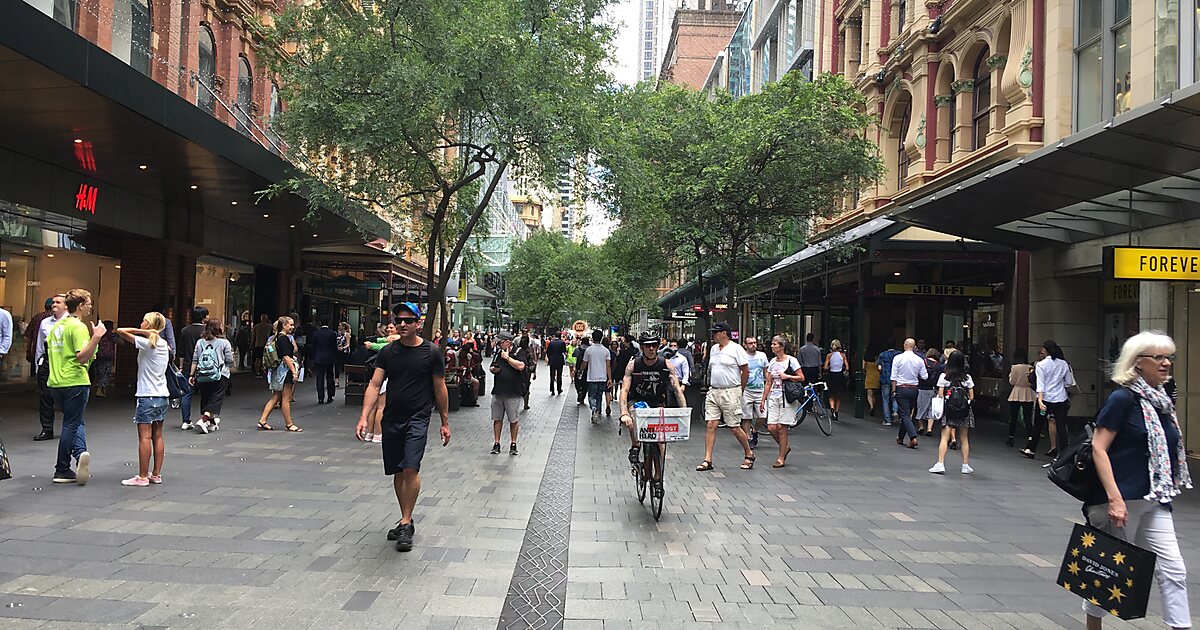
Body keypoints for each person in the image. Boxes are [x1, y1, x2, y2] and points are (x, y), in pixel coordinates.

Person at [1085, 332, 1191, 630]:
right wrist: (1115, 499)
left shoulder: (1162, 402)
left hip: (1156, 499)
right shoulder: (1122, 399)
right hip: (1122, 501)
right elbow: (1098, 448)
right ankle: (1093, 626)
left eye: (1169, 357)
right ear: (1138, 362)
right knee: (1107, 569)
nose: (1166, 363)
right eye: (1158, 357)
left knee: (1173, 569)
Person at [355, 303, 450, 553]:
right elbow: (375, 385)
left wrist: (444, 422)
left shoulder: (431, 352)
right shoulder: (388, 352)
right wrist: (364, 417)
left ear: (418, 323)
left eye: (408, 320)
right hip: (392, 418)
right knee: (398, 470)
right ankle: (404, 517)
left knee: (411, 467)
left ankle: (406, 523)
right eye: (399, 320)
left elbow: (440, 388)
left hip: (418, 418)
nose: (403, 324)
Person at [618, 331, 686, 500]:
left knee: (660, 442)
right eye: (647, 345)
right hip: (637, 401)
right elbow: (624, 390)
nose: (651, 349)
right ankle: (635, 446)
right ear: (641, 347)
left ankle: (657, 478)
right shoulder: (634, 365)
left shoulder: (666, 364)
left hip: (657, 403)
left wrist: (684, 412)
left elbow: (677, 389)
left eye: (654, 345)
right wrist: (624, 412)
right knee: (633, 418)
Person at [48, 289, 106, 486]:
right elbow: (82, 357)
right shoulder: (78, 327)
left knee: (75, 421)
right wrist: (96, 337)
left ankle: (81, 454)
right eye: (89, 303)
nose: (90, 306)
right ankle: (62, 468)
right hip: (74, 381)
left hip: (55, 382)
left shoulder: (57, 327)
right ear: (80, 305)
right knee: (71, 424)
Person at [115, 313, 170, 486]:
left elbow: (120, 331)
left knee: (144, 437)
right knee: (158, 435)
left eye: (144, 321)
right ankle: (156, 474)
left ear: (150, 325)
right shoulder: (162, 343)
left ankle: (142, 476)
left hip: (147, 395)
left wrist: (142, 331)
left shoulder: (147, 344)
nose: (141, 323)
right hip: (162, 395)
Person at [696, 322, 754, 472]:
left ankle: (749, 453)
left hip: (730, 390)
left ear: (724, 333)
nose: (713, 335)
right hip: (714, 390)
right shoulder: (714, 349)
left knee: (734, 426)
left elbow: (745, 371)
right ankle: (707, 459)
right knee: (711, 424)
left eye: (716, 332)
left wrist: (740, 389)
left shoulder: (736, 349)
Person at [1023, 339, 1074, 459]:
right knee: (1061, 426)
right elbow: (1069, 382)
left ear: (1045, 350)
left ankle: (1031, 449)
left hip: (1045, 399)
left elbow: (1040, 384)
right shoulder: (1063, 364)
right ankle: (1065, 453)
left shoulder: (1041, 365)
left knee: (1038, 424)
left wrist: (1040, 400)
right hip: (1061, 399)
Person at [928, 351, 975, 474]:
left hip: (949, 410)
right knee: (964, 438)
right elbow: (971, 396)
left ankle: (940, 463)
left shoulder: (944, 377)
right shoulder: (967, 378)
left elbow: (941, 395)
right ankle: (965, 465)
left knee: (944, 437)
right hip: (964, 411)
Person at [188, 319, 234, 434]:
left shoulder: (200, 342)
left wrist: (191, 375)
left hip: (203, 374)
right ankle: (204, 419)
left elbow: (195, 359)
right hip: (220, 374)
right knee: (215, 398)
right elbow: (229, 360)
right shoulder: (224, 343)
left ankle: (212, 423)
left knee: (206, 397)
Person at [257, 316, 302, 432]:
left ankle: (262, 420)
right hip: (285, 371)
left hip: (277, 370)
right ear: (284, 325)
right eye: (290, 325)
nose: (292, 327)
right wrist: (294, 371)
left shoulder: (276, 338)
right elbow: (286, 357)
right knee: (286, 398)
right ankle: (289, 424)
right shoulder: (284, 339)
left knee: (275, 396)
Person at [32, 296, 64, 441]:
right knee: (45, 397)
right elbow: (39, 345)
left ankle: (70, 429)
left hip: (64, 362)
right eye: (53, 302)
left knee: (65, 397)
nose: (54, 304)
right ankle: (47, 428)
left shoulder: (72, 322)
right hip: (47, 360)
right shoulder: (45, 322)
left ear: (66, 306)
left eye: (58, 302)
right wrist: (38, 365)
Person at [489, 331, 526, 455]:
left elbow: (521, 366)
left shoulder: (518, 352)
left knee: (513, 419)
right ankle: (496, 443)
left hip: (513, 392)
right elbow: (491, 366)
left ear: (507, 342)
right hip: (498, 390)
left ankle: (513, 443)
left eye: (500, 342)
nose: (498, 344)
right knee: (497, 418)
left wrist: (508, 358)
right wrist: (493, 369)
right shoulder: (498, 352)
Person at [890, 338, 927, 449]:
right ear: (914, 346)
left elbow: (893, 377)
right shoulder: (919, 360)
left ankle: (912, 438)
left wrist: (894, 390)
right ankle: (900, 437)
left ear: (904, 345)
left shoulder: (898, 358)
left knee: (905, 414)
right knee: (906, 413)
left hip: (901, 388)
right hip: (914, 389)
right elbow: (925, 376)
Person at [176, 306, 208, 430]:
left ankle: (186, 420)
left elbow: (181, 352)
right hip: (205, 366)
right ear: (203, 317)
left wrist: (181, 366)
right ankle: (204, 419)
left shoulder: (185, 331)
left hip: (188, 366)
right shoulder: (207, 331)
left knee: (186, 393)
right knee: (206, 394)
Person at [741, 336, 768, 449]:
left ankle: (755, 430)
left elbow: (766, 372)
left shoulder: (762, 356)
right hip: (746, 390)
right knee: (746, 416)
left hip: (760, 390)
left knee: (763, 415)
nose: (753, 345)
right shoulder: (742, 356)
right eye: (750, 343)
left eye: (755, 343)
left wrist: (768, 385)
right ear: (745, 345)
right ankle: (748, 438)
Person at [1006, 347, 1035, 448]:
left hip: (1016, 392)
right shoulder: (1030, 367)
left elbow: (1012, 381)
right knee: (1028, 417)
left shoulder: (1014, 367)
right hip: (1028, 392)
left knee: (1013, 417)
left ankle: (1011, 437)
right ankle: (1030, 437)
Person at [581, 330, 611, 423]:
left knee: (591, 396)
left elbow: (584, 363)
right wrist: (609, 378)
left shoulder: (589, 350)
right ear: (601, 337)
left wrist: (580, 371)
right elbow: (608, 365)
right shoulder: (606, 351)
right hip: (603, 378)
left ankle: (593, 408)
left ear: (593, 338)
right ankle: (597, 411)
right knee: (599, 396)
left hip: (591, 377)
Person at [310, 318, 338, 404]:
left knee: (320, 378)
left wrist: (313, 357)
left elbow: (313, 346)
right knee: (330, 377)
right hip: (329, 357)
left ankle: (320, 398)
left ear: (319, 322)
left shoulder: (316, 333)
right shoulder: (332, 333)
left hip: (319, 358)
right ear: (328, 322)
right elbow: (334, 346)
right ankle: (330, 396)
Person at [916, 348, 943, 436]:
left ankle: (921, 427)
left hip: (922, 388)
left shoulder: (923, 362)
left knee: (921, 407)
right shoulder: (939, 366)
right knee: (932, 409)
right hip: (933, 389)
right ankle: (929, 429)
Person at [876, 339, 901, 426]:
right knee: (895, 397)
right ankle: (895, 411)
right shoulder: (899, 354)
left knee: (885, 399)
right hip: (896, 379)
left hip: (885, 378)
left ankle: (887, 420)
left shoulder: (882, 355)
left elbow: (879, 368)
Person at [823, 339, 848, 421]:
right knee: (838, 395)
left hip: (832, 375)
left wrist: (830, 366)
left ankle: (832, 408)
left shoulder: (829, 355)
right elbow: (847, 367)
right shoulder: (843, 355)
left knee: (831, 394)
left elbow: (825, 367)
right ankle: (836, 411)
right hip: (839, 375)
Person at [89, 320, 116, 397]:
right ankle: (100, 390)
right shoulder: (112, 336)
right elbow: (122, 342)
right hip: (107, 357)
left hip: (98, 355)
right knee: (105, 373)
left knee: (99, 373)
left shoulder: (99, 335)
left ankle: (100, 389)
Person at [861, 348, 880, 416]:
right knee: (874, 394)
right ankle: (873, 406)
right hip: (876, 377)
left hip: (869, 377)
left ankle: (871, 406)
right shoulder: (877, 360)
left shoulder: (866, 361)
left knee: (869, 394)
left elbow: (863, 368)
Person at [572, 336, 590, 405]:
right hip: (587, 369)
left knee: (577, 382)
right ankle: (583, 396)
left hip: (578, 368)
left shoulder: (578, 349)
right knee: (585, 384)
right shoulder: (590, 349)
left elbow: (573, 355)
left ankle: (579, 391)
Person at [336, 322, 352, 387]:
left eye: (340, 326)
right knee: (337, 366)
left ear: (343, 327)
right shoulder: (337, 334)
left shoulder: (347, 334)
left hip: (345, 352)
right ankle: (336, 381)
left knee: (346, 366)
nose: (339, 327)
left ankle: (348, 379)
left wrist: (343, 348)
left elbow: (348, 344)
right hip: (338, 351)